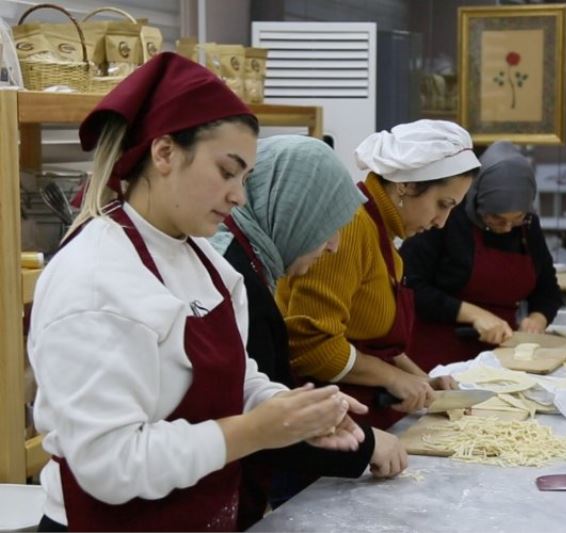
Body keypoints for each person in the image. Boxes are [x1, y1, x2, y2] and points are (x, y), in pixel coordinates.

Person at [28, 52, 366, 532]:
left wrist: (292, 411)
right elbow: (108, 464)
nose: (239, 196)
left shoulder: (204, 261)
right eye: (227, 172)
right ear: (164, 153)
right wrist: (254, 432)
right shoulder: (94, 277)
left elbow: (237, 378)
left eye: (246, 178)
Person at [209, 135, 408, 523]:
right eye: (327, 226)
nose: (334, 246)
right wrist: (363, 445)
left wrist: (322, 415)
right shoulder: (236, 277)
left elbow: (252, 387)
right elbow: (250, 419)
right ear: (293, 211)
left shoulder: (247, 265)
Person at [275, 120, 481, 429]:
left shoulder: (382, 234)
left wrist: (422, 381)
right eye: (443, 204)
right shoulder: (351, 227)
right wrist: (393, 378)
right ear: (407, 185)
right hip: (329, 424)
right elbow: (311, 347)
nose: (441, 222)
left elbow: (374, 343)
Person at [400, 141, 563, 371]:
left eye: (516, 219)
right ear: (479, 202)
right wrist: (474, 315)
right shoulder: (446, 217)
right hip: (438, 357)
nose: (507, 228)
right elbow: (409, 285)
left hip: (503, 357)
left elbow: (548, 292)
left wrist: (537, 319)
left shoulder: (527, 225)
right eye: (496, 219)